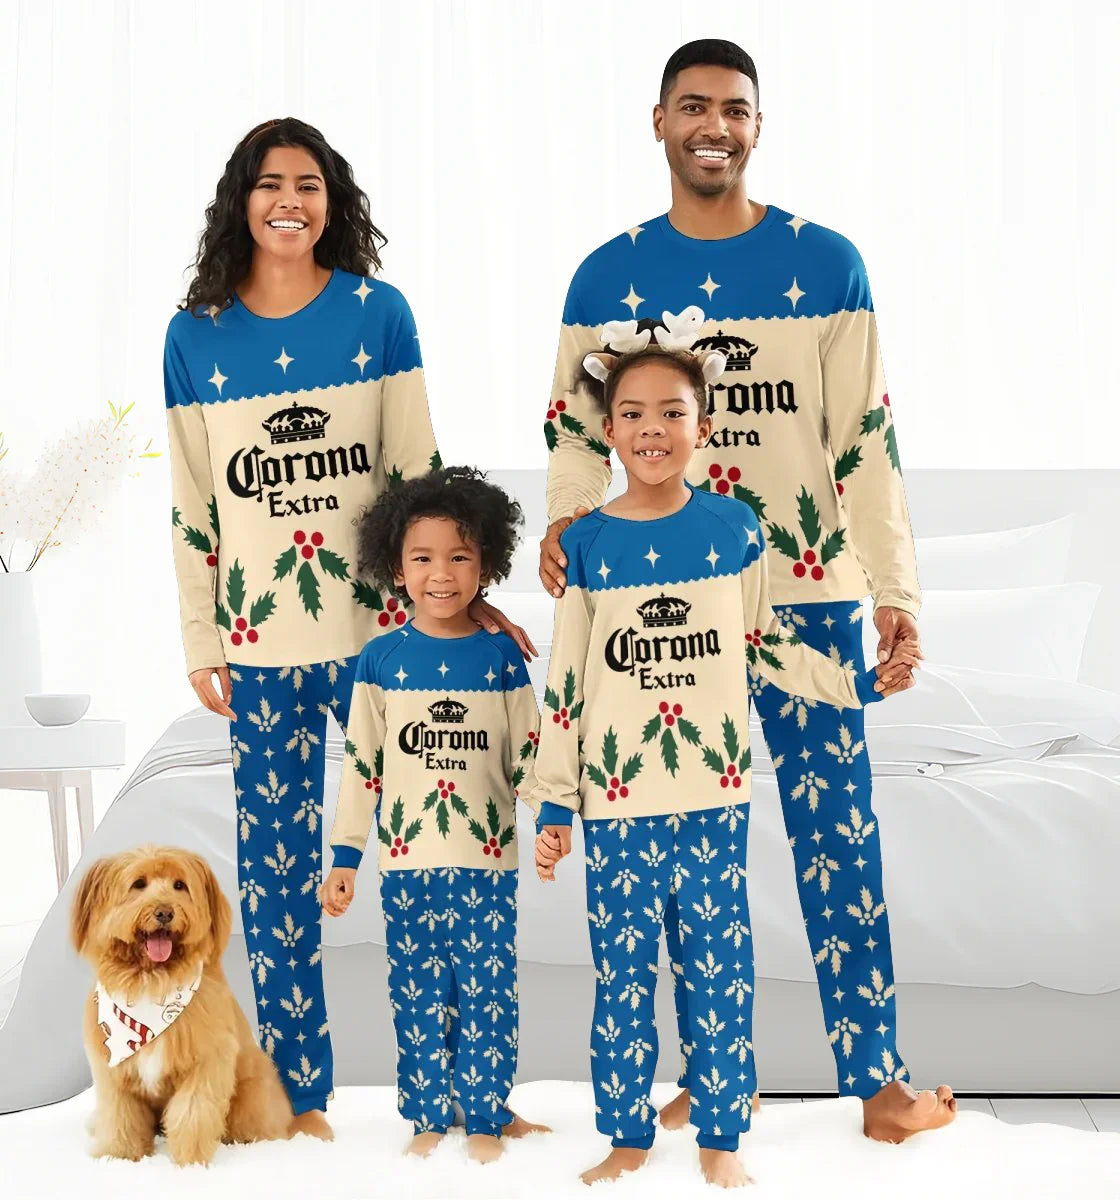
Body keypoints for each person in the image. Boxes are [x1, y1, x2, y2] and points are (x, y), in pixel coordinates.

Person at [539, 40, 957, 1145]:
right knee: (679, 851)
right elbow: (575, 431)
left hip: (808, 597)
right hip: (659, 607)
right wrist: (567, 521)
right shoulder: (606, 277)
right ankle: (713, 1076)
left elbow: (866, 439)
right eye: (693, 106)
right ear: (660, 122)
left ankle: (878, 1084)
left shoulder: (828, 265)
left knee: (838, 843)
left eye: (734, 109)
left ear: (757, 127)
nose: (713, 126)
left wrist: (894, 591)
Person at [163, 118, 533, 1140]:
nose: (290, 200)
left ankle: (465, 1094)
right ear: (241, 200)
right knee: (276, 886)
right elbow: (195, 504)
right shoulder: (195, 335)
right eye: (270, 183)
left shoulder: (379, 315)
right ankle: (301, 1099)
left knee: (437, 858)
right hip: (259, 650)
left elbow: (419, 474)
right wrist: (201, 636)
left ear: (333, 201)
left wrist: (463, 597)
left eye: (310, 183)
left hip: (384, 643)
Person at [532, 346, 910, 1187]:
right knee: (622, 979)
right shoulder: (587, 545)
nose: (653, 430)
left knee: (720, 971)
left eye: (672, 412)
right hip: (618, 807)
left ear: (703, 428)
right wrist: (554, 804)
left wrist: (853, 683)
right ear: (608, 432)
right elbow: (566, 687)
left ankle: (721, 1136)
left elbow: (765, 643)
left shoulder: (734, 528)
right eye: (633, 414)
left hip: (713, 799)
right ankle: (627, 1137)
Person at [321, 467, 549, 1161]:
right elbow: (362, 768)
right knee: (417, 991)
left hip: (486, 862)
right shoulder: (379, 660)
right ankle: (426, 1114)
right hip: (407, 865)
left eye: (460, 557)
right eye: (422, 558)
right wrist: (345, 859)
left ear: (487, 566)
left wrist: (553, 817)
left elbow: (529, 753)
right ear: (397, 568)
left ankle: (486, 1115)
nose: (441, 575)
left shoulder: (501, 656)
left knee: (488, 989)